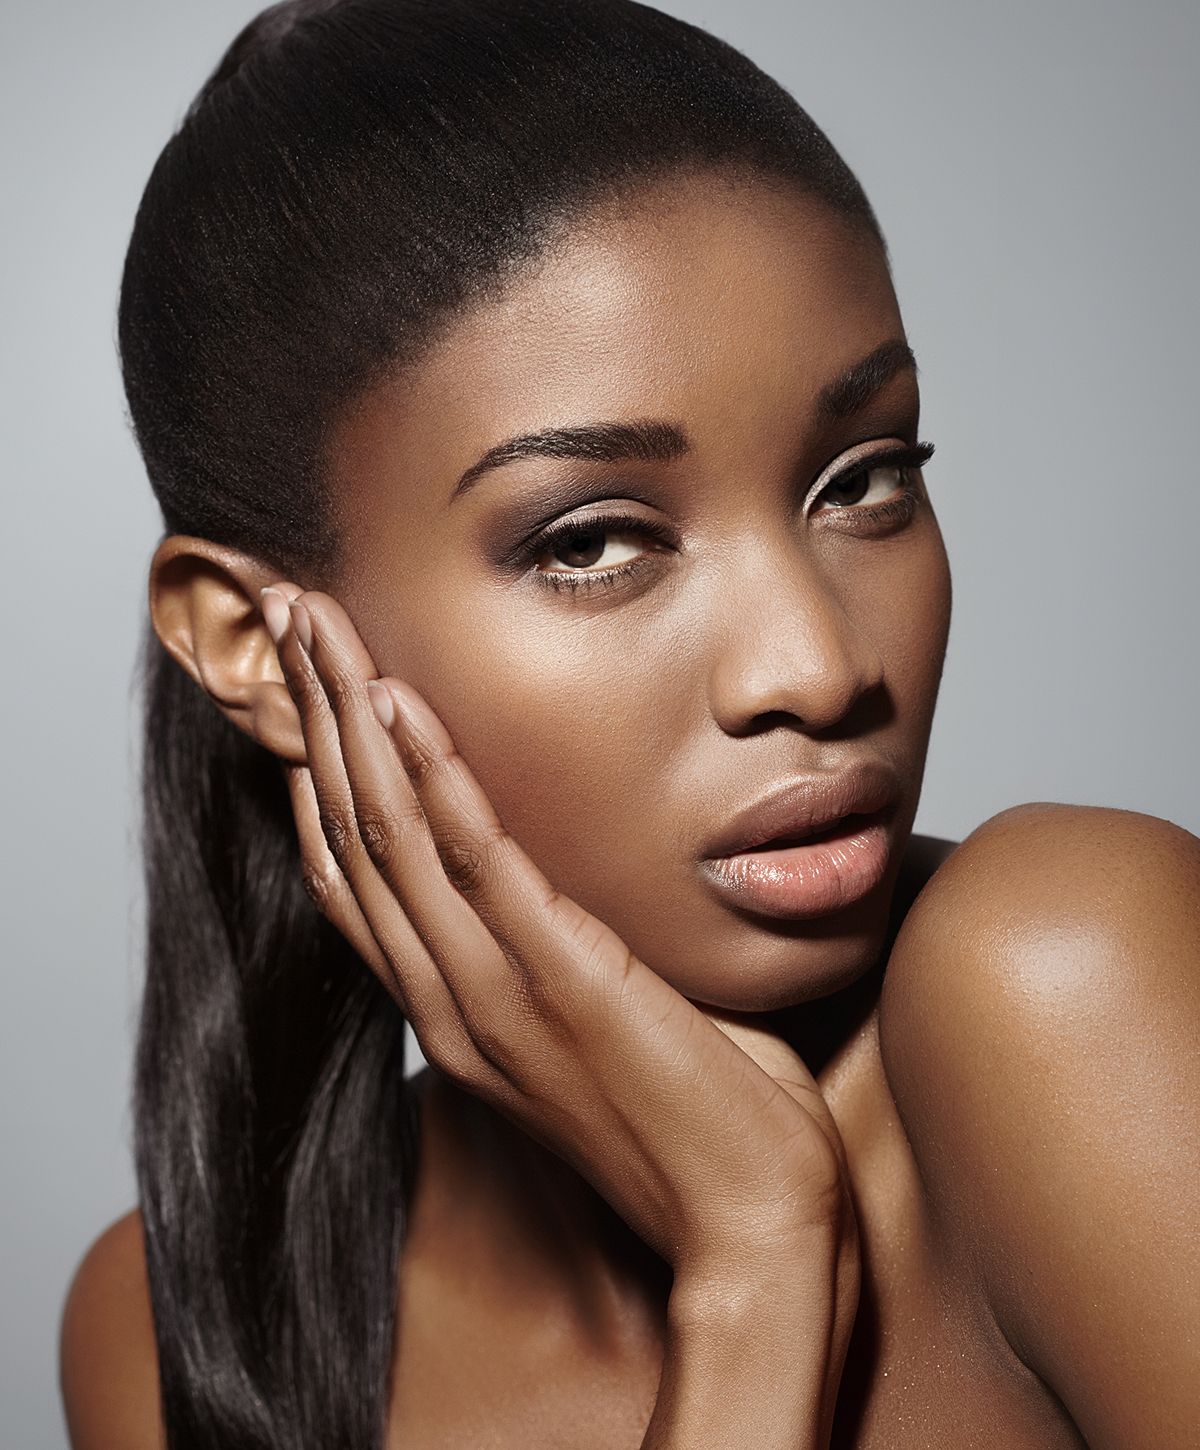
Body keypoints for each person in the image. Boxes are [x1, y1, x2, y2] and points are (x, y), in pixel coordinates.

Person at [58, 0, 1199, 1446]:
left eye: (861, 478)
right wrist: (757, 1267)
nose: (812, 663)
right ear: (260, 650)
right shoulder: (184, 1327)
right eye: (593, 541)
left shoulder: (1067, 981)